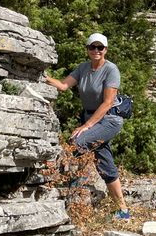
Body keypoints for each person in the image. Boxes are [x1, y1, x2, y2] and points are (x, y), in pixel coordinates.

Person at [44, 32, 130, 220]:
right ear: (87, 49)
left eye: (100, 47)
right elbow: (64, 86)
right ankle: (123, 210)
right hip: (91, 119)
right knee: (104, 163)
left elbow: (107, 103)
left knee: (77, 142)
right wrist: (43, 76)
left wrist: (86, 126)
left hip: (109, 120)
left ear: (105, 49)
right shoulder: (83, 68)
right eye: (92, 47)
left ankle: (69, 197)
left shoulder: (111, 70)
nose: (96, 50)